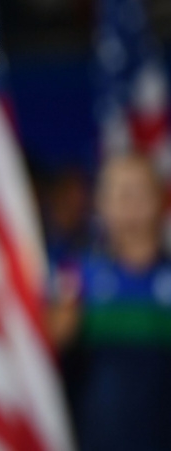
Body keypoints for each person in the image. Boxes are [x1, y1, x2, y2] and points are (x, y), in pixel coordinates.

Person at [48, 153, 171, 450]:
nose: (128, 201)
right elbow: (50, 342)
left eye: (138, 190)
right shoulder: (75, 275)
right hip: (94, 437)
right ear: (99, 203)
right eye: (118, 191)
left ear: (160, 199)